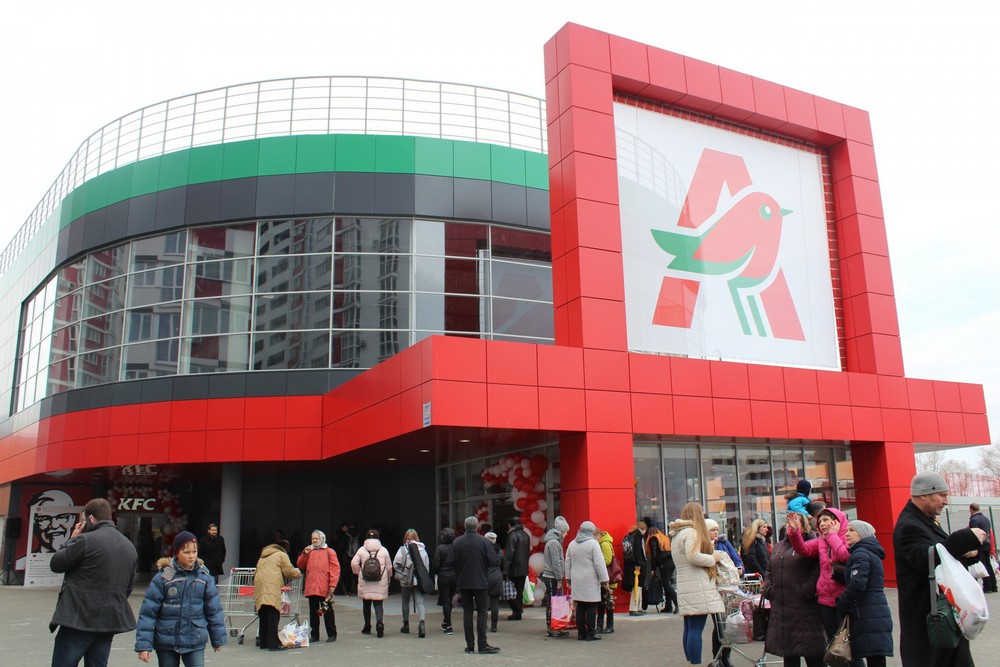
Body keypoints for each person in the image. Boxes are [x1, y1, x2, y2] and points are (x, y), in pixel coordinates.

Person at [893, 471, 985, 667]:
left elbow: (940, 552)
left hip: (941, 619)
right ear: (923, 494)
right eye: (942, 495)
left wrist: (965, 552)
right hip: (928, 622)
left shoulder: (923, 520)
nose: (945, 501)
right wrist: (965, 538)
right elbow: (925, 557)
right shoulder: (909, 525)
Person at [48, 498, 139, 667]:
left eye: (83, 520)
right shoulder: (129, 547)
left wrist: (72, 539)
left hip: (78, 620)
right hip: (108, 622)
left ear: (90, 519)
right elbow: (128, 587)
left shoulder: (85, 540)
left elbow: (56, 564)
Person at [135, 531, 227, 665]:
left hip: (194, 639)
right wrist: (144, 645)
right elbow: (148, 613)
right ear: (177, 553)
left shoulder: (204, 577)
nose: (192, 556)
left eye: (194, 552)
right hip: (167, 640)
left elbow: (214, 610)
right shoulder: (163, 577)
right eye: (186, 552)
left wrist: (217, 638)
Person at [761, 515, 826, 667]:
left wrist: (806, 590)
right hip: (782, 608)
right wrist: (769, 588)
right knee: (789, 653)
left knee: (813, 653)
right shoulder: (779, 546)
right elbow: (769, 569)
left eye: (794, 523)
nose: (789, 526)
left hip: (805, 608)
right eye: (788, 524)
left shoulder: (812, 544)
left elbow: (817, 569)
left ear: (804, 526)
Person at [670, 502, 724, 667]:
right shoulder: (691, 532)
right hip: (697, 585)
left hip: (686, 584)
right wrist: (713, 558)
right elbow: (693, 556)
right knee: (696, 629)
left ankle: (690, 663)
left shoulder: (678, 534)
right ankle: (695, 663)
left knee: (689, 627)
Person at [785, 507, 848, 641]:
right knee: (832, 640)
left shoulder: (847, 537)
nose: (822, 524)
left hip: (843, 596)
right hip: (824, 599)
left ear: (837, 522)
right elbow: (804, 549)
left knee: (846, 641)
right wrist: (795, 532)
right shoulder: (821, 540)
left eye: (826, 520)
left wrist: (832, 536)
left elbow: (844, 556)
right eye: (820, 522)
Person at [837, 520, 893, 667]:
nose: (847, 534)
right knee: (876, 657)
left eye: (852, 530)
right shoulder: (869, 552)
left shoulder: (860, 553)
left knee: (872, 657)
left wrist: (842, 603)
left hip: (867, 612)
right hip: (875, 610)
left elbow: (857, 583)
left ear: (862, 534)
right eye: (847, 530)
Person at [448, 516, 501, 654]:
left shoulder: (457, 542)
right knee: (482, 612)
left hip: (463, 581)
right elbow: (494, 561)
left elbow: (450, 561)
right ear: (477, 527)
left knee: (467, 612)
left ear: (465, 527)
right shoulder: (484, 541)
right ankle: (482, 644)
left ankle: (470, 645)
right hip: (480, 581)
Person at [707, 519, 751, 667]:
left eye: (716, 529)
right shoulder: (704, 546)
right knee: (719, 625)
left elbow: (736, 558)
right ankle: (718, 657)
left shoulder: (723, 542)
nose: (715, 532)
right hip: (715, 590)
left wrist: (739, 568)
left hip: (730, 589)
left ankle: (725, 656)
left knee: (728, 624)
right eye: (712, 530)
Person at [565, 520, 610, 642]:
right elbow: (599, 563)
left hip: (577, 579)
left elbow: (567, 562)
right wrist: (605, 580)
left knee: (580, 606)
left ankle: (581, 633)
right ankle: (591, 633)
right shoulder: (593, 544)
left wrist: (568, 578)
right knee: (591, 605)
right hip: (590, 579)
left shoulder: (572, 544)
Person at [253, 540, 300, 651]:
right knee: (273, 614)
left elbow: (256, 572)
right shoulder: (281, 555)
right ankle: (273, 643)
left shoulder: (263, 556)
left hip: (260, 585)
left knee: (263, 614)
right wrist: (298, 573)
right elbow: (289, 571)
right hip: (272, 586)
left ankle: (264, 642)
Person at [296, 529, 340, 643]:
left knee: (327, 610)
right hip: (312, 586)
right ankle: (314, 634)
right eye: (313, 538)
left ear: (322, 539)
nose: (314, 540)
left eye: (316, 538)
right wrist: (304, 554)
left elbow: (335, 570)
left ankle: (332, 634)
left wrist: (332, 585)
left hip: (325, 586)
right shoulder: (309, 551)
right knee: (313, 612)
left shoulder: (329, 552)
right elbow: (300, 565)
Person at [18, 489, 77, 570]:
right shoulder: (22, 564)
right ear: (34, 522)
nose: (54, 525)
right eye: (44, 518)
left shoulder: (84, 562)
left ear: (73, 519)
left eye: (62, 517)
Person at [351, 528, 392, 637]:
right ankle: (379, 623)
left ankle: (367, 626)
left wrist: (358, 573)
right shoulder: (383, 550)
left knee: (366, 604)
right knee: (378, 604)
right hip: (380, 580)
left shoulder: (361, 550)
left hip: (365, 580)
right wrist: (389, 576)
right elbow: (389, 566)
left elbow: (354, 563)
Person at [392, 528, 430, 638]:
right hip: (419, 579)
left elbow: (395, 564)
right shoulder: (422, 549)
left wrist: (403, 572)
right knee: (420, 602)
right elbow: (426, 566)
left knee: (405, 601)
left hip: (406, 579)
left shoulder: (403, 549)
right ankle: (422, 623)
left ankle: (406, 625)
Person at [540, 515, 570, 637]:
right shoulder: (554, 543)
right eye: (566, 532)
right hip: (552, 576)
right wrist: (559, 579)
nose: (566, 534)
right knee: (553, 602)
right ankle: (551, 627)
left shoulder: (553, 541)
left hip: (551, 576)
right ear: (561, 531)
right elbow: (556, 562)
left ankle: (556, 626)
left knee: (554, 602)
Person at [431, 526, 457, 635]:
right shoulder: (456, 547)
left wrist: (435, 572)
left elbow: (436, 564)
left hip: (443, 576)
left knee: (445, 600)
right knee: (449, 599)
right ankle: (446, 621)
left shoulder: (440, 548)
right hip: (454, 576)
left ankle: (449, 625)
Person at [646, 525, 678, 614]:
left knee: (666, 584)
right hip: (671, 561)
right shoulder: (663, 538)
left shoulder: (653, 539)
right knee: (666, 583)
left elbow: (654, 555)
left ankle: (677, 603)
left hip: (664, 563)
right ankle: (668, 606)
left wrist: (653, 568)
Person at [502, 517, 529, 620]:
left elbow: (509, 554)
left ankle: (517, 610)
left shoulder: (512, 535)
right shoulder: (525, 535)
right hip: (523, 567)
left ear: (510, 525)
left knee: (510, 591)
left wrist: (505, 569)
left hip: (514, 567)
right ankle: (518, 612)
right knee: (519, 591)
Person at [623, 521, 650, 615]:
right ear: (644, 529)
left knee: (637, 585)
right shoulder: (638, 535)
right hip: (637, 565)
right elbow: (637, 550)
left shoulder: (632, 535)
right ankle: (634, 608)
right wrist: (639, 564)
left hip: (631, 564)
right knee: (637, 586)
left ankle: (638, 608)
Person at [969, 503, 996, 593]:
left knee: (981, 565)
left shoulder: (974, 520)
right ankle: (993, 585)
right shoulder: (986, 519)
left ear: (971, 509)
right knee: (988, 564)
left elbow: (974, 534)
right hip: (987, 544)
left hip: (979, 545)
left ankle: (987, 586)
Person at [596, 528, 618, 634]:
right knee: (602, 603)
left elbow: (608, 560)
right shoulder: (602, 543)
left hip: (608, 579)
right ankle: (601, 626)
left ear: (598, 536)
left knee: (607, 603)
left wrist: (597, 564)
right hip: (605, 579)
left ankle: (609, 626)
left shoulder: (604, 544)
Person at [484, 532, 503, 633]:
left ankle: (483, 623)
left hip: (484, 576)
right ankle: (494, 626)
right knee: (495, 602)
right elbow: (504, 565)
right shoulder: (500, 551)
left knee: (483, 602)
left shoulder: (483, 550)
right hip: (496, 576)